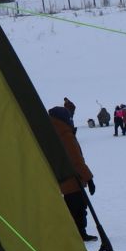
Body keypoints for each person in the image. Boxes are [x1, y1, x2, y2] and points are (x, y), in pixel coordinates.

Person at [46, 99, 96, 241]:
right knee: (78, 207)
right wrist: (89, 178)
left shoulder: (52, 132)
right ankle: (79, 234)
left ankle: (74, 233)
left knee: (73, 207)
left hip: (61, 177)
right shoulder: (65, 134)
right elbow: (76, 160)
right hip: (72, 179)